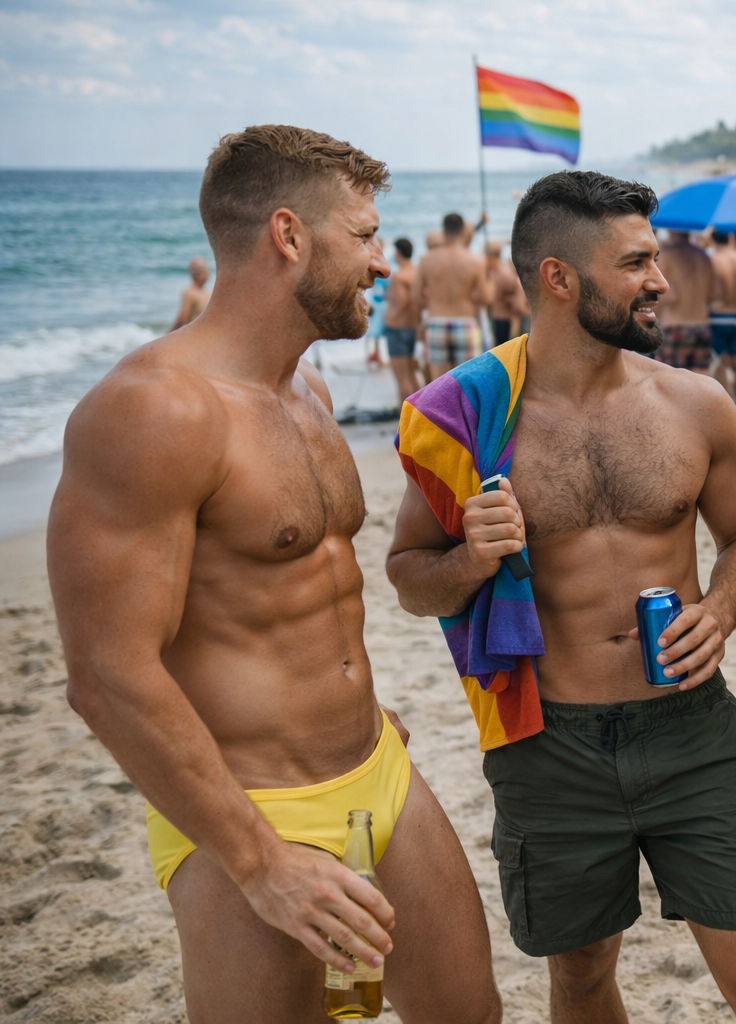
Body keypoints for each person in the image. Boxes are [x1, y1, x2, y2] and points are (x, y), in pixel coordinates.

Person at [47, 124, 500, 1024]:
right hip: (244, 813)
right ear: (289, 236)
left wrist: (349, 704)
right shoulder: (154, 412)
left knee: (471, 1014)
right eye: (364, 236)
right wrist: (261, 864)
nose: (382, 263)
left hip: (374, 767)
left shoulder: (310, 393)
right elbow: (106, 674)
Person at [385, 171, 736, 1024]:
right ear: (559, 278)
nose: (660, 280)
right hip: (550, 744)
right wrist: (472, 557)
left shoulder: (695, 404)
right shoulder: (465, 418)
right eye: (637, 262)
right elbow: (408, 576)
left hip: (693, 729)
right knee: (579, 980)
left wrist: (720, 612)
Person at [414, 212, 484, 380]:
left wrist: (434, 302)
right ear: (463, 232)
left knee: (439, 386)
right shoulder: (476, 261)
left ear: (443, 232)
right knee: (469, 384)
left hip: (437, 321)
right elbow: (484, 297)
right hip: (465, 321)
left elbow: (415, 297)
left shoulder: (426, 260)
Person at [655, 230, 715, 373]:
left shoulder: (667, 255)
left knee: (668, 384)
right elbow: (713, 296)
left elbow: (669, 295)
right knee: (699, 384)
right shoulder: (704, 256)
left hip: (674, 326)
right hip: (701, 325)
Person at [383, 237, 423, 407]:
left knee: (402, 379)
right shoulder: (417, 272)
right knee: (413, 376)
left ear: (398, 252)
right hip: (414, 328)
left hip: (398, 329)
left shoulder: (399, 276)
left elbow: (401, 302)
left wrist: (388, 317)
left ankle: (405, 421)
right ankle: (420, 416)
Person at [708, 230, 736, 399]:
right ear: (731, 238)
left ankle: (726, 402)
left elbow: (708, 294)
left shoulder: (712, 261)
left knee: (720, 364)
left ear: (712, 240)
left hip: (718, 317)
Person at [485, 238, 529, 347]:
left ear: (492, 257)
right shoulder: (504, 274)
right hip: (497, 319)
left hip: (502, 320)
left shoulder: (503, 275)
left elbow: (517, 304)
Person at [172, 257, 212, 329]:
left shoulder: (207, 292)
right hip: (197, 334)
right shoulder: (189, 293)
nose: (208, 273)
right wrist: (169, 335)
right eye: (205, 270)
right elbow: (183, 319)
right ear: (197, 274)